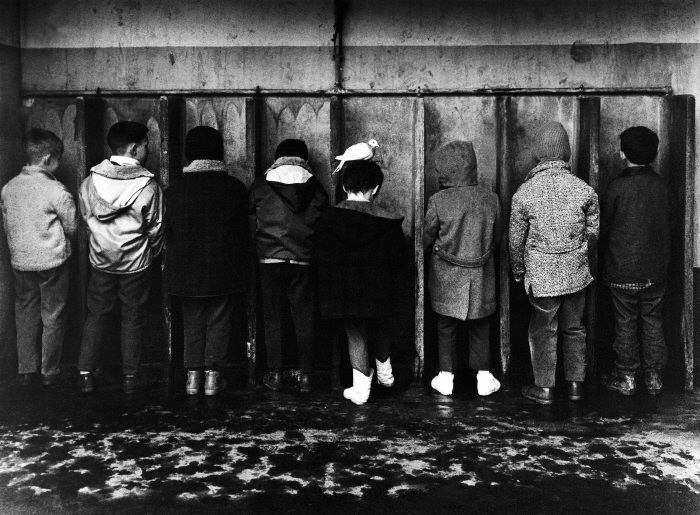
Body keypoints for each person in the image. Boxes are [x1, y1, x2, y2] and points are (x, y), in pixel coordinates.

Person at [509, 121, 599, 405]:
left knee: (543, 330)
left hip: (542, 276)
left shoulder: (524, 193)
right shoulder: (584, 190)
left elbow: (515, 242)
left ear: (538, 153)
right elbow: (593, 234)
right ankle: (575, 387)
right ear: (567, 152)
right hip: (576, 273)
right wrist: (578, 257)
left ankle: (545, 388)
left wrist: (519, 271)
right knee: (575, 328)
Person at [77, 121, 164, 394]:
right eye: (146, 145)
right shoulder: (149, 186)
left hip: (100, 261)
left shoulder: (89, 182)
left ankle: (85, 373)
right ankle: (130, 378)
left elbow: (84, 221)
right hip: (136, 264)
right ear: (135, 147)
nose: (148, 150)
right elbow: (156, 229)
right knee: (133, 317)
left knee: (96, 315)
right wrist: (152, 255)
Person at [165, 126, 248, 396]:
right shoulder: (234, 187)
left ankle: (192, 378)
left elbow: (168, 231)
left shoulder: (174, 189)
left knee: (192, 319)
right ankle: (213, 378)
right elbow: (242, 232)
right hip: (223, 265)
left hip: (185, 268)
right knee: (219, 318)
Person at [315, 160, 405, 405]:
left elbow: (322, 257)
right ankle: (385, 374)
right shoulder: (389, 221)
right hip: (381, 287)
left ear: (344, 186)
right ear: (375, 189)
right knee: (381, 325)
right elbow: (399, 259)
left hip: (345, 289)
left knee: (356, 332)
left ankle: (361, 387)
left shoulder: (328, 219)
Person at [249, 139, 328, 392]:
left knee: (273, 318)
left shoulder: (261, 184)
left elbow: (251, 220)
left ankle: (274, 374)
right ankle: (306, 376)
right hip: (303, 260)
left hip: (269, 259)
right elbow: (322, 226)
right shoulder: (316, 187)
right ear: (305, 159)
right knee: (304, 317)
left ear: (277, 157)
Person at [423, 141, 502, 397]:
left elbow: (425, 240)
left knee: (446, 325)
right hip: (481, 274)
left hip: (446, 275)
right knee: (480, 325)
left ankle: (446, 377)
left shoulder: (437, 200)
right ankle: (484, 378)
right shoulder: (491, 198)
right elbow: (497, 239)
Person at [1, 128, 77, 387]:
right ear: (48, 159)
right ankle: (49, 371)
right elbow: (73, 227)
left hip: (21, 261)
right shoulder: (57, 190)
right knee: (53, 315)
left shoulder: (9, 188)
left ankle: (26, 369)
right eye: (58, 159)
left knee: (24, 314)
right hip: (52, 261)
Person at [600, 126, 673, 396]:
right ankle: (654, 378)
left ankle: (626, 376)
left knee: (625, 323)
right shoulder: (663, 187)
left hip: (621, 270)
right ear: (655, 154)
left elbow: (604, 227)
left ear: (622, 154)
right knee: (653, 321)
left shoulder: (616, 187)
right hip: (655, 270)